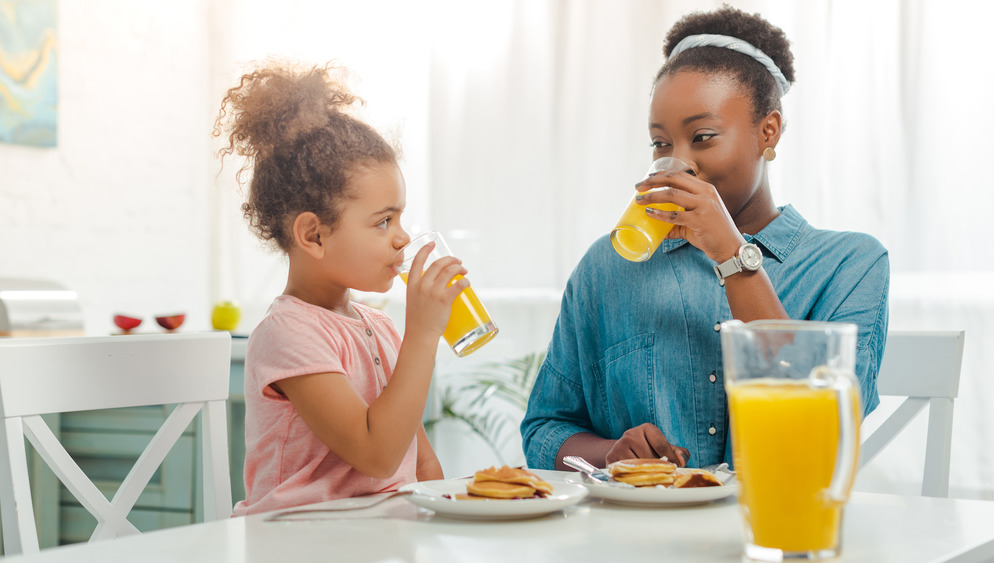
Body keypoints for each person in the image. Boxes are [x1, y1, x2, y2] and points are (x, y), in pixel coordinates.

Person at [521, 6, 890, 472]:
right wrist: (609, 454)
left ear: (767, 132)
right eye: (660, 143)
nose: (679, 163)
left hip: (781, 532)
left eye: (703, 136)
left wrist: (734, 255)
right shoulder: (607, 267)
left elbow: (823, 435)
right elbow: (544, 431)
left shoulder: (851, 264)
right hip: (633, 539)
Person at [214, 61, 467, 516]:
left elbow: (420, 460)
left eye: (401, 217)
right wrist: (425, 334)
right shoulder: (287, 334)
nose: (403, 237)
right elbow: (376, 454)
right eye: (383, 221)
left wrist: (449, 522)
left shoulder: (382, 328)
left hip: (375, 539)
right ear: (313, 235)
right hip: (294, 542)